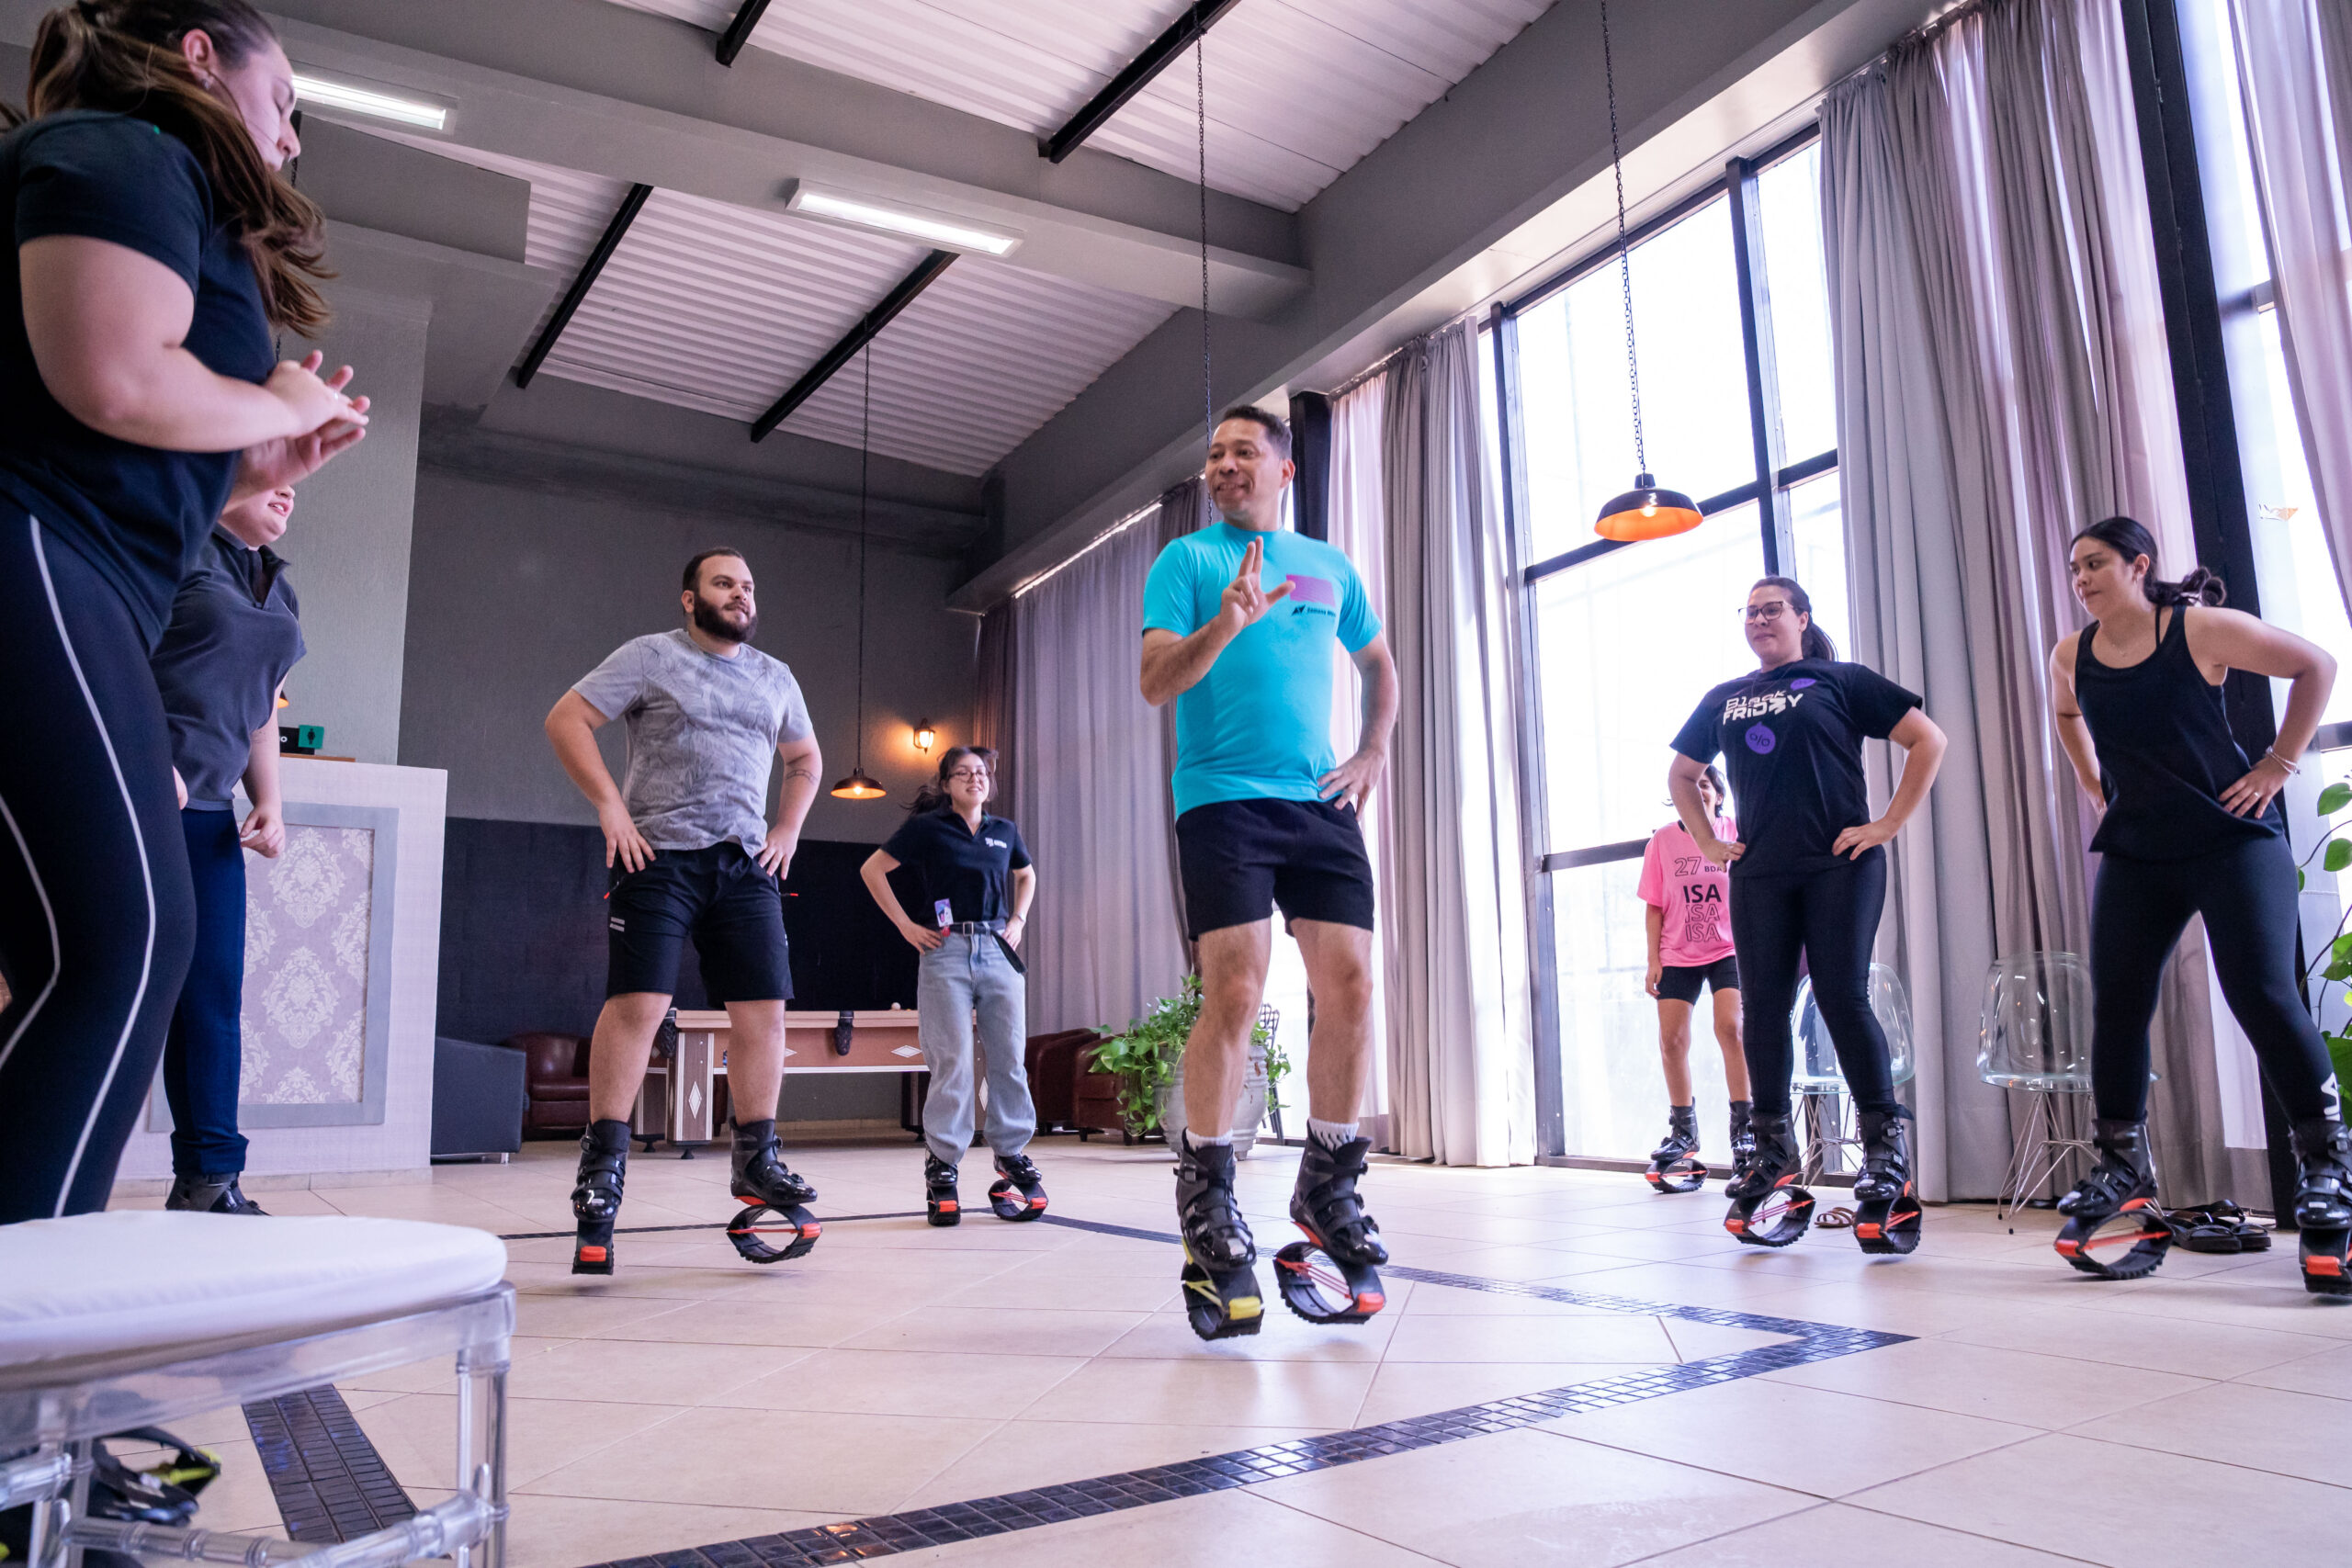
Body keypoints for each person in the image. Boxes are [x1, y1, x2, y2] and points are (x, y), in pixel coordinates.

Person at [0, 0, 368, 1224]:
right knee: (125, 942)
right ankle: (21, 1373)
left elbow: (135, 419)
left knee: (105, 951)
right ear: (201, 57)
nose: (295, 139)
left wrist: (261, 466)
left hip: (85, 562)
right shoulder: (125, 148)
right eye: (287, 102)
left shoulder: (164, 183)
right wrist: (270, 398)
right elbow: (109, 376)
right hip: (35, 549)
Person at [1139, 405, 1399, 1337]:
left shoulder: (1329, 567)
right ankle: (1206, 1187)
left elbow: (1377, 663)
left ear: (1283, 470)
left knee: (1354, 986)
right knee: (1237, 991)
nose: (1222, 465)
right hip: (1220, 800)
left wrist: (1370, 750)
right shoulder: (1187, 563)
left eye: (1242, 452)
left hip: (1316, 798)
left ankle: (1328, 1181)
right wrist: (1224, 624)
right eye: (1212, 454)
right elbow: (1156, 683)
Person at [2048, 517, 2350, 1292]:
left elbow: (2315, 664)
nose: (2081, 579)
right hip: (2140, 851)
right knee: (2117, 1002)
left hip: (2231, 840)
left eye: (2096, 564)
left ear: (2138, 565)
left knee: (2261, 993)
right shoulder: (2072, 654)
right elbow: (2068, 715)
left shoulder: (2200, 629)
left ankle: (2326, 1166)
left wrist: (2279, 765)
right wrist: (2095, 785)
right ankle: (2122, 1165)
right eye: (2075, 568)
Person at [543, 547, 825, 1273]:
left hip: (745, 863)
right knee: (640, 1004)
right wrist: (610, 807)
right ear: (689, 597)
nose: (741, 594)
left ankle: (756, 1156)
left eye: (749, 584)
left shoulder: (775, 677)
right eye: (725, 582)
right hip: (656, 857)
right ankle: (603, 1165)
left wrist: (787, 828)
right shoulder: (650, 656)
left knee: (765, 1012)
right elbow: (567, 718)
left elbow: (806, 760)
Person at [1669, 576, 1946, 1253]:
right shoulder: (1725, 697)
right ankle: (1774, 1154)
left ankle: (1884, 1151)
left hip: (1839, 864)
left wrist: (1886, 823)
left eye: (1773, 609)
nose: (1760, 619)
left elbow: (1927, 740)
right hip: (1760, 871)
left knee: (1840, 996)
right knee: (1761, 1010)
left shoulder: (1840, 680)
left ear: (1801, 617)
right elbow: (1682, 773)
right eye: (1751, 610)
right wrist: (1708, 841)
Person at [150, 482, 302, 1214]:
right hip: (133, 806)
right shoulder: (168, 552)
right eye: (268, 466)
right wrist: (145, 758)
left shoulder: (276, 587)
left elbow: (259, 707)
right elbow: (103, 662)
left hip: (209, 820)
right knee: (112, 995)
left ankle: (209, 1180)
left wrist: (267, 801)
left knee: (211, 1002)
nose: (289, 487)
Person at [858, 747, 1045, 1224]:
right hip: (945, 952)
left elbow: (1026, 876)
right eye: (962, 773)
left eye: (981, 773)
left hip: (998, 950)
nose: (974, 779)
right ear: (945, 784)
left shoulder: (1005, 832)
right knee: (953, 1061)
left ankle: (1011, 1152)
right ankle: (943, 1162)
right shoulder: (927, 829)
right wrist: (904, 925)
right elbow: (872, 870)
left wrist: (1018, 919)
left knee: (1009, 1056)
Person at [1637, 761, 1750, 1189]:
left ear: (1719, 795)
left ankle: (1745, 1132)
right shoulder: (1663, 842)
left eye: (1707, 785)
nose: (1700, 791)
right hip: (1678, 952)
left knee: (1731, 1029)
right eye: (1693, 786)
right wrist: (1653, 960)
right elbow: (1654, 905)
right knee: (1671, 1041)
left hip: (1729, 949)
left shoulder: (1737, 831)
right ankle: (1684, 1132)